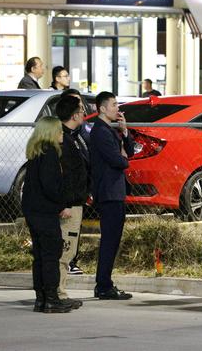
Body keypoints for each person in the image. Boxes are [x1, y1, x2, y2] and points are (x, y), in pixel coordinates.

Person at [22, 116, 72, 313]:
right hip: (45, 212)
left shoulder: (35, 152)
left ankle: (41, 298)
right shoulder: (49, 153)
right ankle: (51, 299)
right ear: (51, 132)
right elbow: (50, 185)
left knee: (40, 256)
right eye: (59, 130)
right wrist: (63, 205)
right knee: (51, 255)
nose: (62, 134)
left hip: (33, 211)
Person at [90, 91, 135, 300]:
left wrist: (125, 132)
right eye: (114, 104)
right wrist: (123, 158)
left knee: (113, 239)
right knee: (109, 240)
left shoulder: (110, 130)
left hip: (115, 191)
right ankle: (103, 285)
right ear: (102, 108)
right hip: (108, 192)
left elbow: (130, 153)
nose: (118, 108)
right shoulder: (100, 131)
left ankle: (105, 283)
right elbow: (118, 160)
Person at [55, 96, 90, 307]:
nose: (84, 113)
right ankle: (59, 293)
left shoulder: (73, 137)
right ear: (74, 114)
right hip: (70, 205)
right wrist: (66, 204)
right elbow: (65, 175)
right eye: (82, 110)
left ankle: (58, 291)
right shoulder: (64, 140)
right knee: (65, 250)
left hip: (76, 201)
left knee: (69, 249)